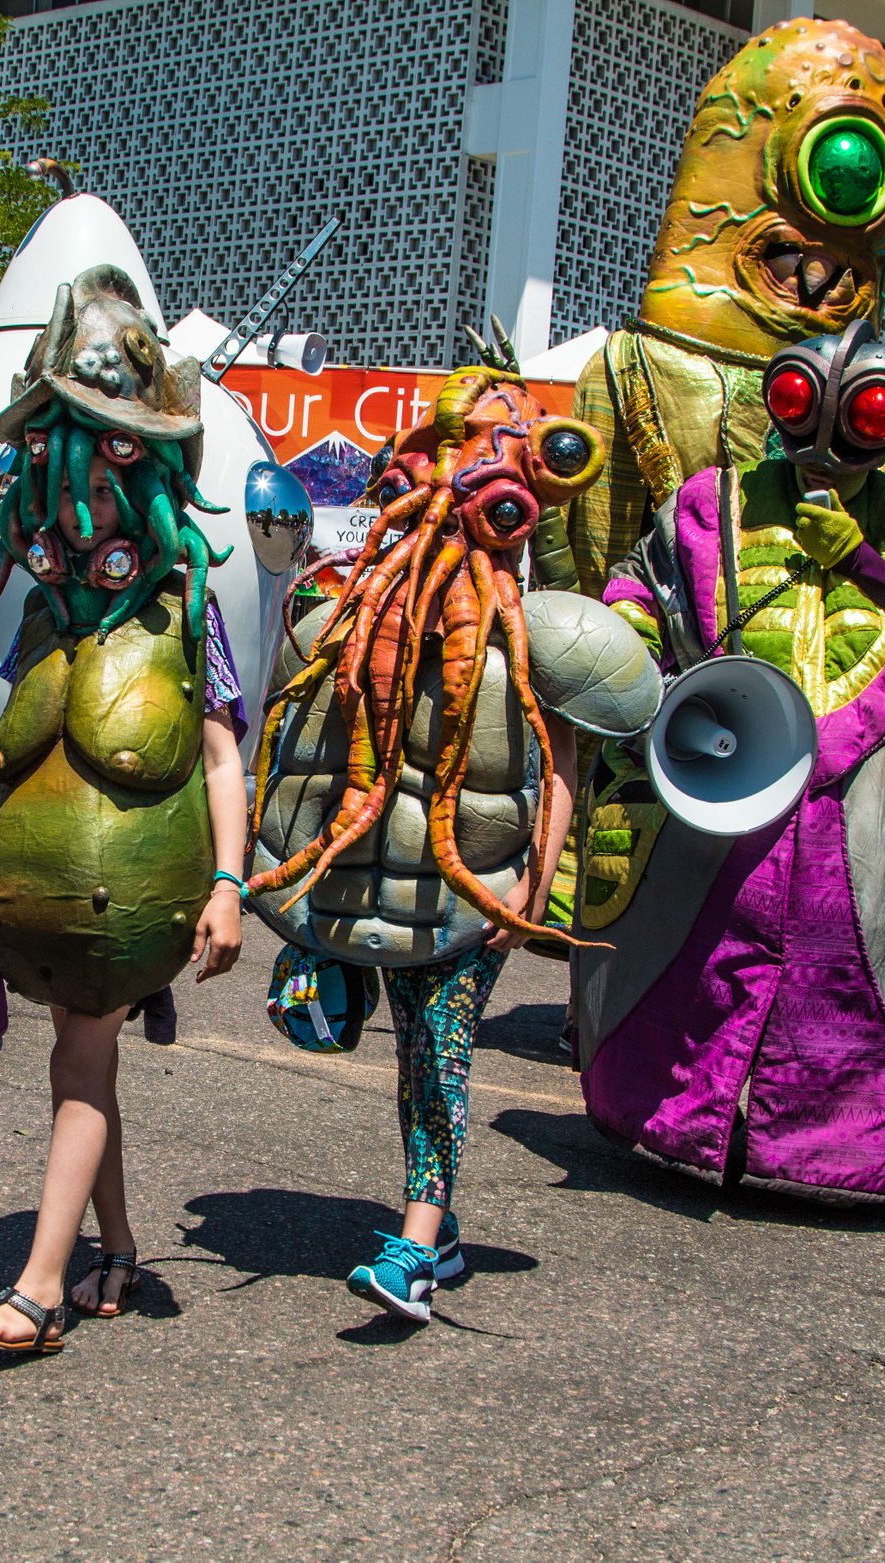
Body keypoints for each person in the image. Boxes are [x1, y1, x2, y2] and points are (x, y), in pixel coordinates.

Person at [246, 364, 647, 1324]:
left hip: (476, 893)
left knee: (442, 1051)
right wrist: (297, 912)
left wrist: (533, 892)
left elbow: (562, 773)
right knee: (414, 1061)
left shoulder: (547, 640)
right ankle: (441, 1227)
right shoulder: (349, 616)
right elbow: (301, 754)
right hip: (376, 887)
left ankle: (415, 1248)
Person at [579, 325, 885, 1201]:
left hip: (866, 815)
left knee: (856, 973)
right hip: (717, 805)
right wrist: (622, 642)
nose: (828, 450)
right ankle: (681, 1117)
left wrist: (863, 563)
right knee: (695, 964)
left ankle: (843, 1147)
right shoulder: (710, 502)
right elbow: (641, 582)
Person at [0, 265, 245, 1350]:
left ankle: (39, 1287)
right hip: (42, 905)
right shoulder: (44, 619)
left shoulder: (183, 613)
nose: (84, 508)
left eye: (106, 475)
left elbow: (218, 759)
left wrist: (228, 886)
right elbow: (2, 752)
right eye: (64, 480)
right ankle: (115, 1248)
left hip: (128, 906)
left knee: (79, 1063)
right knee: (84, 1061)